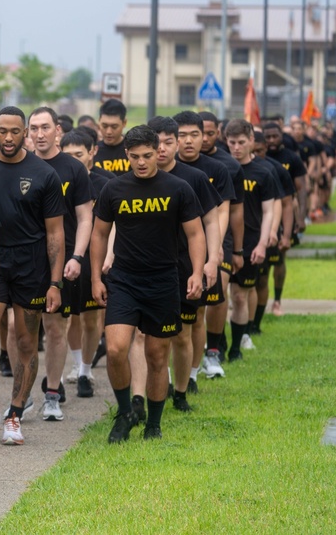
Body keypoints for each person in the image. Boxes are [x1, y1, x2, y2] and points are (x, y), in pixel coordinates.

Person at [90, 125, 206, 443]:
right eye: (135, 157)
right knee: (115, 349)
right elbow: (99, 234)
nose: (141, 162)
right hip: (124, 279)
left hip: (163, 280)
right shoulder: (114, 189)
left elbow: (196, 234)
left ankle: (154, 424)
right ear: (126, 155)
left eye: (147, 156)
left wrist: (197, 272)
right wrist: (95, 276)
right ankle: (126, 412)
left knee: (157, 355)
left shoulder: (178, 188)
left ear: (158, 152)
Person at [0, 106, 65, 445]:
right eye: (2, 131)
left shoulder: (44, 173)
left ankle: (15, 413)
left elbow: (55, 234)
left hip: (30, 265)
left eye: (15, 132)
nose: (8, 138)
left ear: (25, 133)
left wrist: (54, 282)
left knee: (25, 341)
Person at [147, 116, 221, 413]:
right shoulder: (135, 178)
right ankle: (152, 389)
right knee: (148, 334)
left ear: (177, 143)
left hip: (185, 264)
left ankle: (180, 390)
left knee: (181, 333)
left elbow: (211, 221)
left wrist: (211, 261)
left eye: (168, 142)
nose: (162, 149)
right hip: (146, 268)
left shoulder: (194, 178)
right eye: (157, 143)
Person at [29, 106, 93, 421]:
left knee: (56, 327)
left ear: (58, 130)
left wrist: (77, 256)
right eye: (34, 128)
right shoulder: (19, 166)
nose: (39, 134)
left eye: (45, 127)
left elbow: (84, 217)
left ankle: (52, 393)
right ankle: (23, 392)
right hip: (23, 261)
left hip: (61, 261)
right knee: (18, 328)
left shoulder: (73, 168)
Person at [172, 111, 235, 389]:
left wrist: (214, 251)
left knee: (197, 314)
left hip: (206, 247)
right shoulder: (158, 168)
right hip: (169, 250)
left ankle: (193, 373)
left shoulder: (217, 170)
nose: (188, 141)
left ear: (205, 136)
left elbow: (220, 214)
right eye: (182, 135)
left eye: (194, 135)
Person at [60, 128, 114, 398]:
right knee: (68, 318)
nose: (73, 160)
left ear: (93, 151)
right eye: (67, 154)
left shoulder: (106, 183)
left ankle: (85, 369)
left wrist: (110, 255)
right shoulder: (56, 178)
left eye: (78, 154)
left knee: (92, 319)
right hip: (64, 256)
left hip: (95, 257)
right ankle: (73, 361)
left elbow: (113, 225)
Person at [224, 119, 278, 363]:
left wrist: (262, 244)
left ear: (252, 142)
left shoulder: (264, 173)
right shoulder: (220, 168)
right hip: (223, 243)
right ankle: (214, 343)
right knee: (219, 299)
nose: (236, 147)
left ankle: (238, 344)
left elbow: (269, 212)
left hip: (251, 241)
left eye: (241, 143)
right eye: (232, 142)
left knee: (240, 296)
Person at [197, 111, 246, 376]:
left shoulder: (228, 166)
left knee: (217, 295)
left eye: (208, 132)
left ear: (219, 132)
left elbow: (235, 211)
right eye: (197, 133)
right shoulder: (176, 163)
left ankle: (213, 351)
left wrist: (236, 249)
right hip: (186, 241)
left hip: (221, 240)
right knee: (195, 301)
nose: (203, 138)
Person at [263, 121, 307, 316]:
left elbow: (301, 189)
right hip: (262, 213)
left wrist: (301, 218)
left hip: (286, 211)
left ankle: (277, 300)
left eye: (275, 136)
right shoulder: (257, 158)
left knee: (279, 259)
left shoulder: (291, 158)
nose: (271, 141)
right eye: (268, 137)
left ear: (282, 136)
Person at [252, 132, 294, 335]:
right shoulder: (234, 167)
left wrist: (284, 234)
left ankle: (255, 325)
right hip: (245, 233)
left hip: (268, 231)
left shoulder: (274, 170)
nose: (256, 155)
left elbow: (286, 203)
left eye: (260, 151)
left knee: (262, 277)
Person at [94, 99, 131, 173]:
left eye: (114, 127)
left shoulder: (132, 150)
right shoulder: (93, 151)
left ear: (124, 123)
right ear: (99, 121)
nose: (109, 132)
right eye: (104, 126)